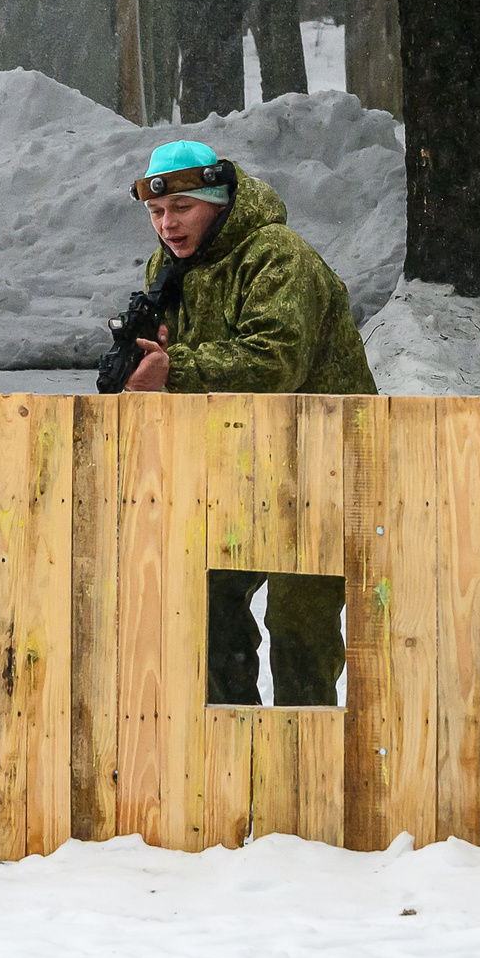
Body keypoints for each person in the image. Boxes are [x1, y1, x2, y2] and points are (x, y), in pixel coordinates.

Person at [124, 138, 376, 707]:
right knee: (205, 609)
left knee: (299, 628)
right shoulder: (168, 268)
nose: (167, 224)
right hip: (238, 471)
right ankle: (232, 750)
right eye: (157, 211)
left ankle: (303, 756)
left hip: (321, 466)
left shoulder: (278, 256)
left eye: (182, 207)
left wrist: (174, 368)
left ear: (217, 202)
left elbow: (275, 362)